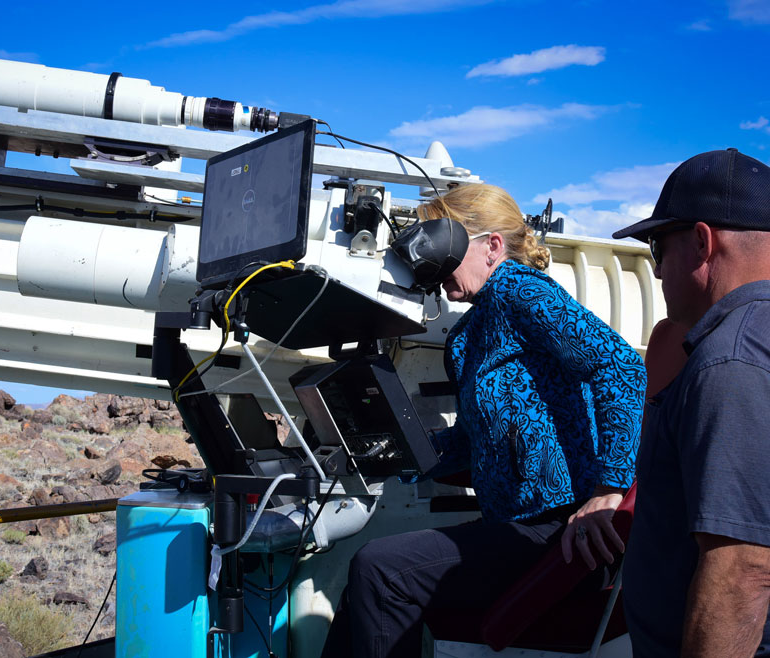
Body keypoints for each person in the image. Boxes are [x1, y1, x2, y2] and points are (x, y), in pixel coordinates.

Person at [320, 183, 647, 658]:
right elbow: (472, 445)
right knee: (366, 586)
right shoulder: (468, 334)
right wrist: (396, 450)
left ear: (493, 246)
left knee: (380, 569)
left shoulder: (519, 289)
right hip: (515, 528)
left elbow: (620, 365)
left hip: (558, 531)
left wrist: (608, 491)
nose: (433, 261)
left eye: (443, 242)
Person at [614, 148, 770, 657]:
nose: (657, 272)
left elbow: (743, 569)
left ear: (702, 242)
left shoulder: (730, 360)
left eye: (658, 249)